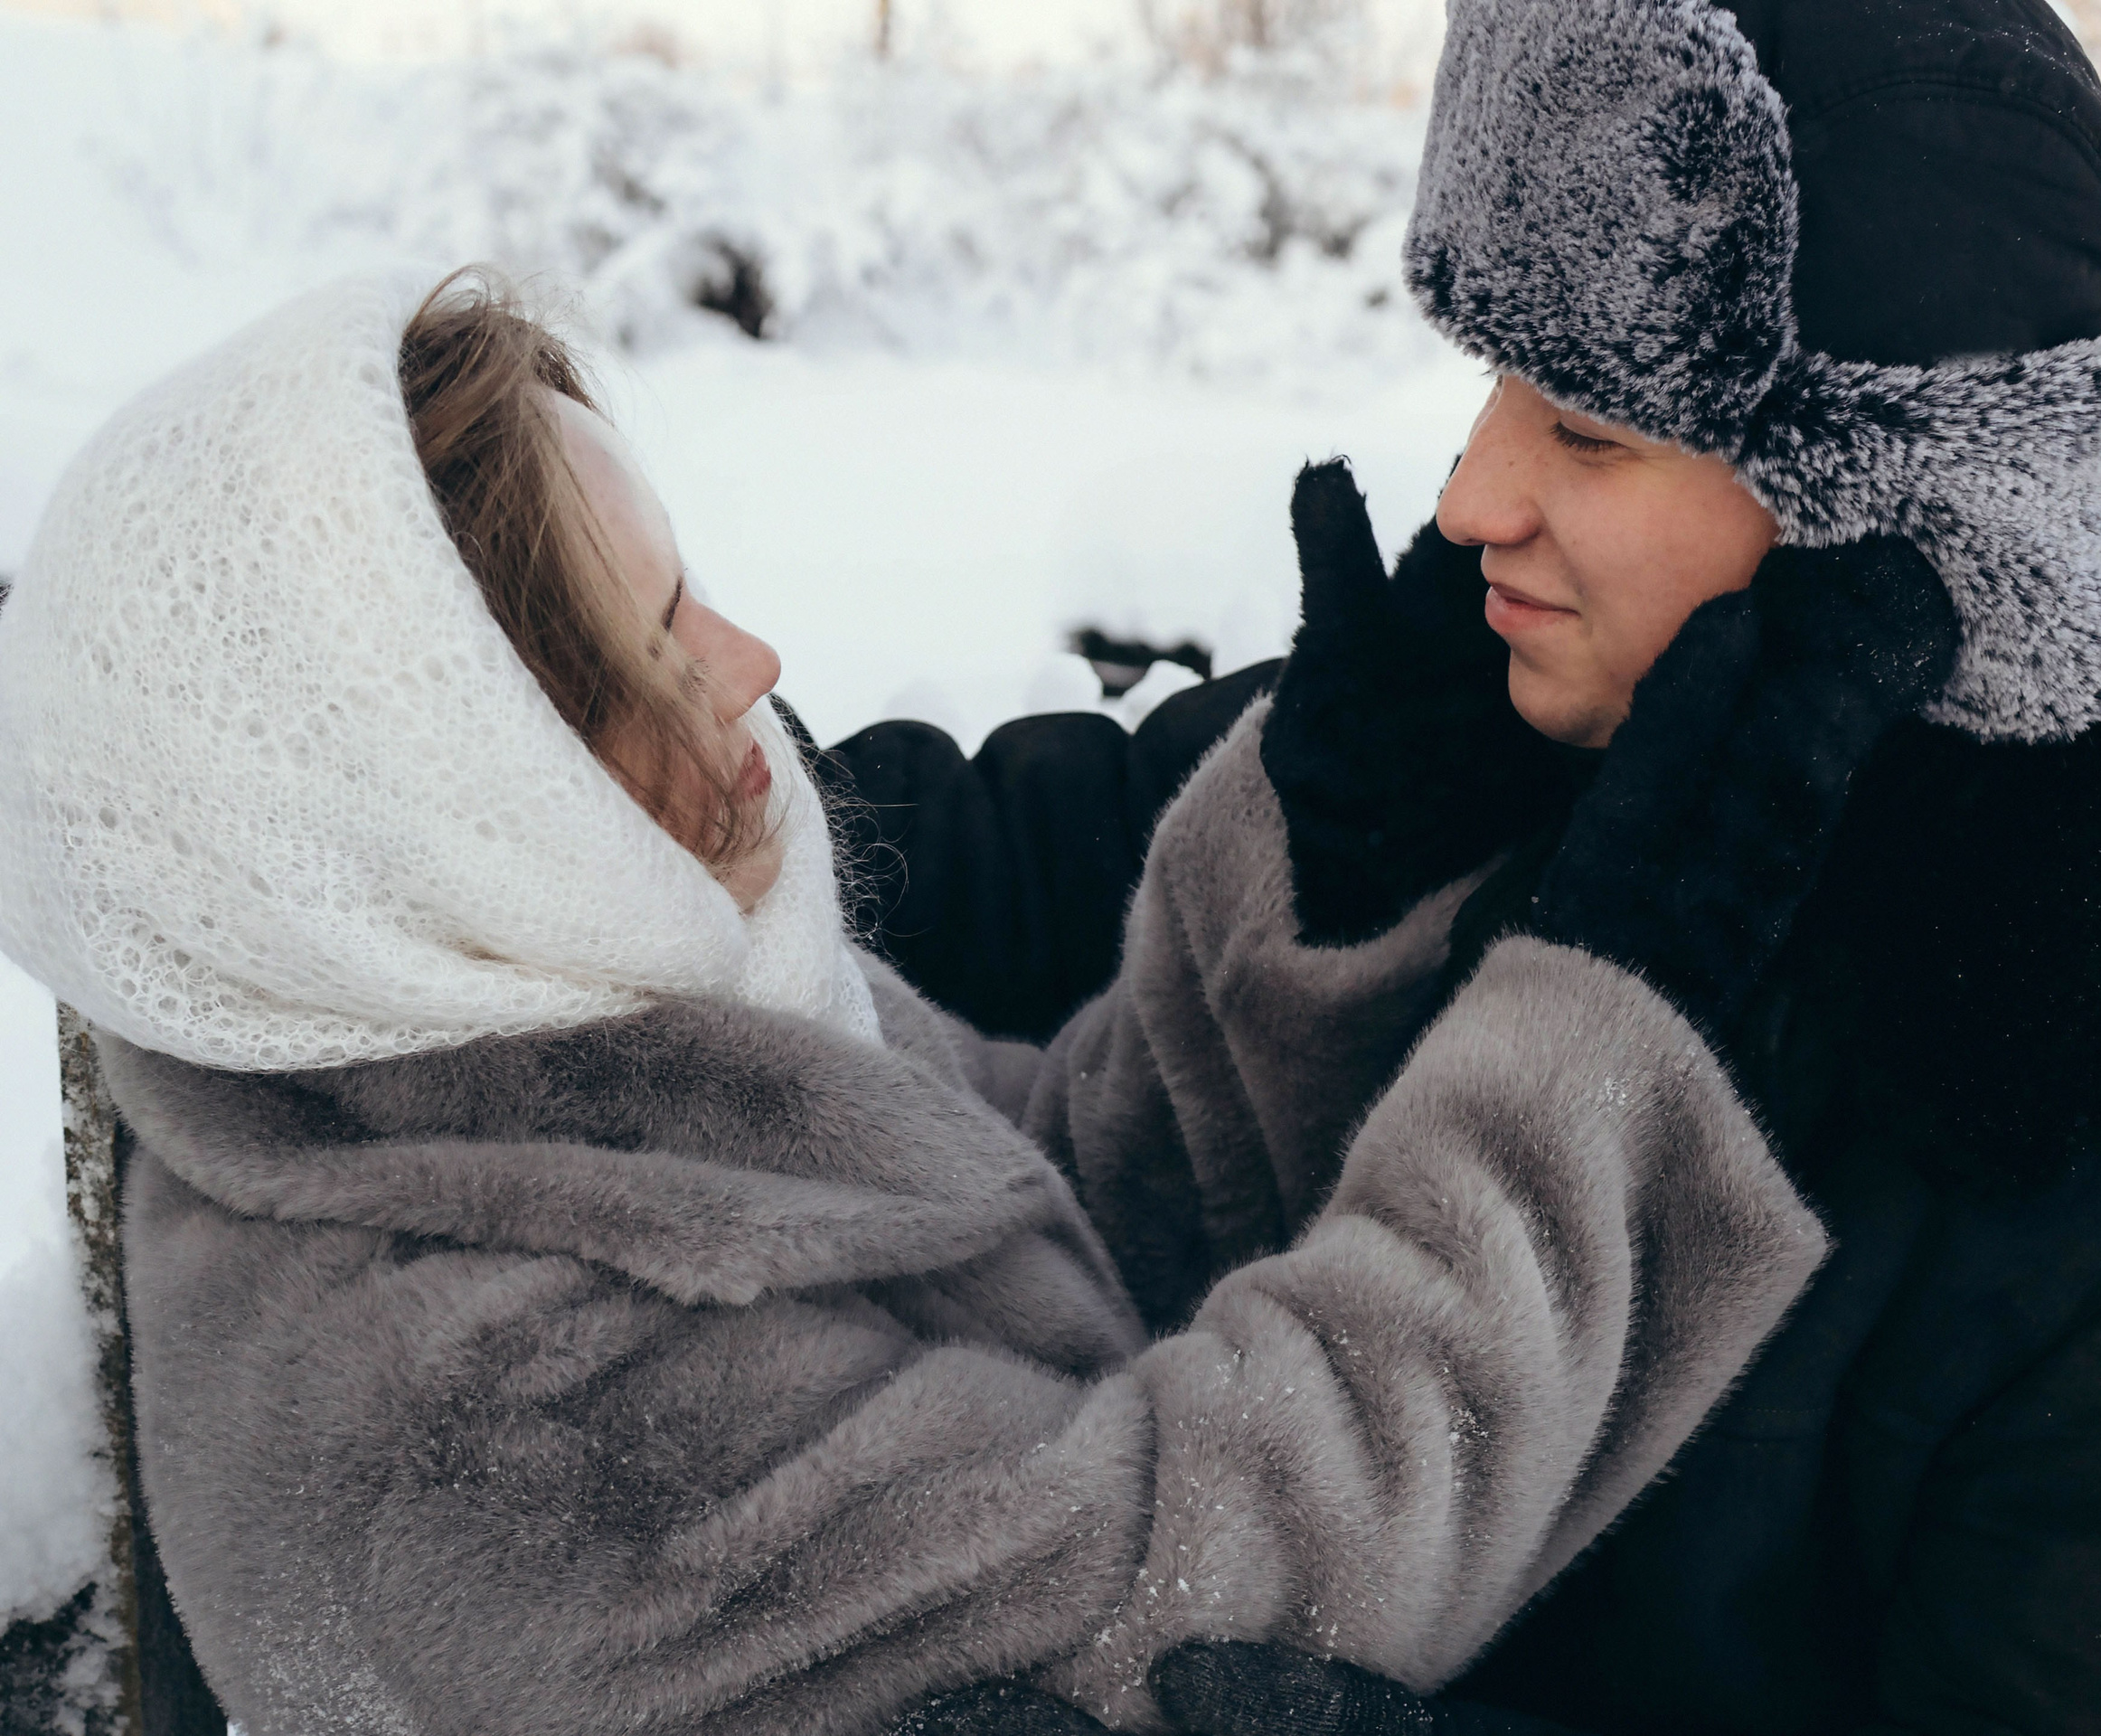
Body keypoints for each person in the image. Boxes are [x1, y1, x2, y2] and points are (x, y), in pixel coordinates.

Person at [0, 265, 1919, 1736]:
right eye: (647, 648)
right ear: (450, 807)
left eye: (692, 589)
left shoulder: (544, 1050)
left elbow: (1036, 1227)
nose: (753, 663)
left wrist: (1315, 853)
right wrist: (1603, 1028)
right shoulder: (476, 1424)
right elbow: (1208, 1569)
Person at [827, 0, 2101, 1731]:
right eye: (1495, 386)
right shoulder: (1472, 727)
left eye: (1588, 431)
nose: (1469, 497)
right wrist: (668, 778)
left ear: (1894, 503)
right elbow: (1003, 857)